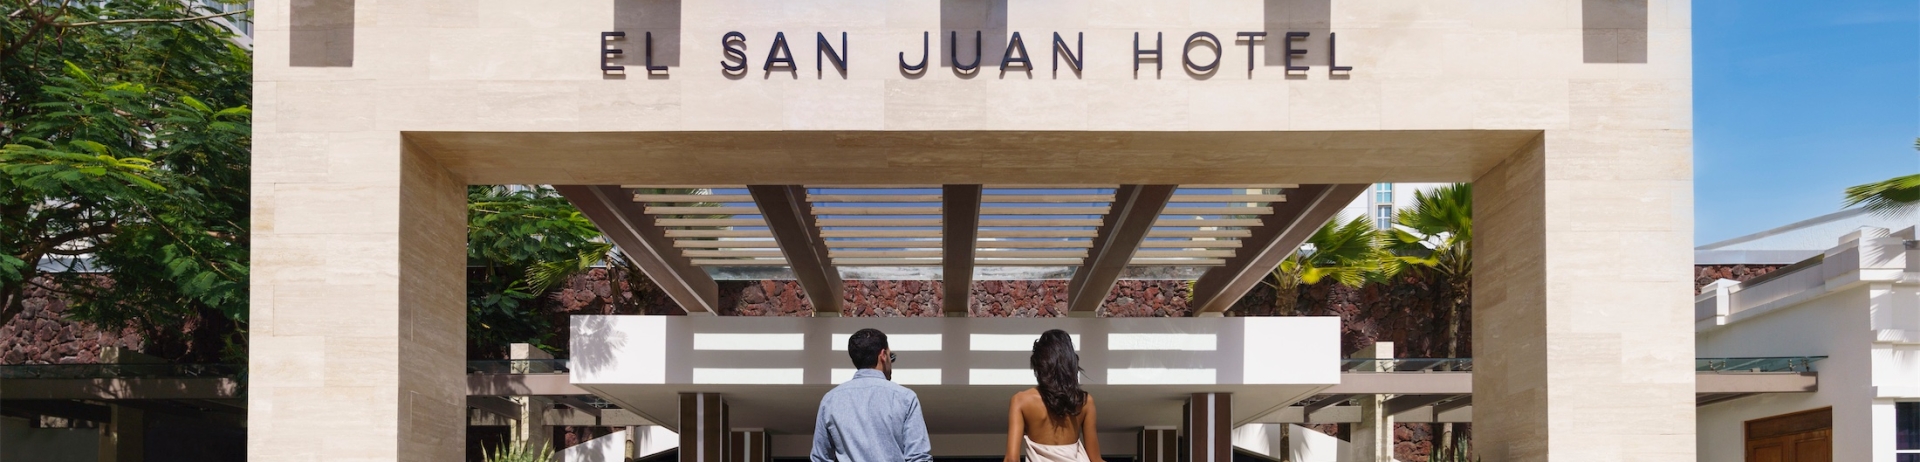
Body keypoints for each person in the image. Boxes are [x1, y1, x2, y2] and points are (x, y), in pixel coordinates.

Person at [811, 328, 932, 462]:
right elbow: (919, 457)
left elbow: (820, 458)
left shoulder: (831, 400)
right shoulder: (905, 398)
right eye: (891, 356)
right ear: (883, 355)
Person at [1005, 329, 1103, 462]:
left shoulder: (1021, 401)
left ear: (1039, 363)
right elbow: (1095, 459)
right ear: (1071, 361)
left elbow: (1011, 459)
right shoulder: (1084, 402)